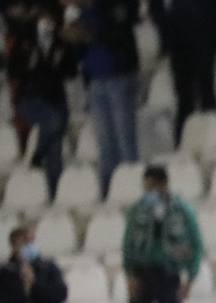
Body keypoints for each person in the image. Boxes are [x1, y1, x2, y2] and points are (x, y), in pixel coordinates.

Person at [122, 164, 203, 303]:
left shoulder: (181, 210)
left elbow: (195, 244)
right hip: (142, 274)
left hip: (168, 274)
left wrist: (190, 278)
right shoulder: (138, 210)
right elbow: (128, 243)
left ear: (162, 185)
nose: (148, 192)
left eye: (151, 187)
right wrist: (129, 274)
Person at [66, 0, 140, 196]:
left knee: (124, 138)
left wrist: (89, 34)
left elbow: (119, 33)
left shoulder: (111, 6)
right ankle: (110, 191)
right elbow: (79, 49)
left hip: (118, 75)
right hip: (95, 79)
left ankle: (132, 187)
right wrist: (75, 38)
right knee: (105, 142)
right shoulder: (83, 14)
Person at [9, 6, 78, 198]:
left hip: (55, 97)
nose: (48, 22)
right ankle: (37, 156)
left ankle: (53, 193)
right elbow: (13, 70)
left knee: (55, 150)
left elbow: (71, 71)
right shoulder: (25, 41)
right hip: (30, 98)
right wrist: (30, 66)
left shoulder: (61, 43)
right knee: (53, 122)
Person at [150, 0, 216, 144]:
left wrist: (213, 37)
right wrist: (166, 36)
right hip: (177, 43)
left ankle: (214, 137)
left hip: (203, 38)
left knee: (206, 91)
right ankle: (183, 142)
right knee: (184, 98)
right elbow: (156, 9)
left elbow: (215, 8)